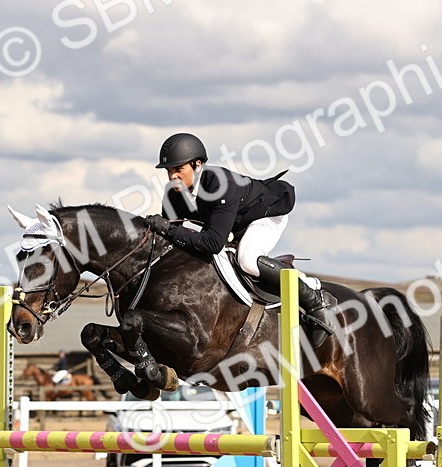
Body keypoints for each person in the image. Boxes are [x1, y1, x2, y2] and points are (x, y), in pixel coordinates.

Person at [142, 132, 334, 344]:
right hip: (231, 223)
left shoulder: (219, 184)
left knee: (247, 260)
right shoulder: (173, 193)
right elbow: (172, 236)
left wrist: (169, 230)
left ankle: (315, 297)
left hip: (265, 216)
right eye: (169, 171)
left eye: (178, 170)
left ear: (197, 165)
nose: (172, 177)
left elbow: (213, 243)